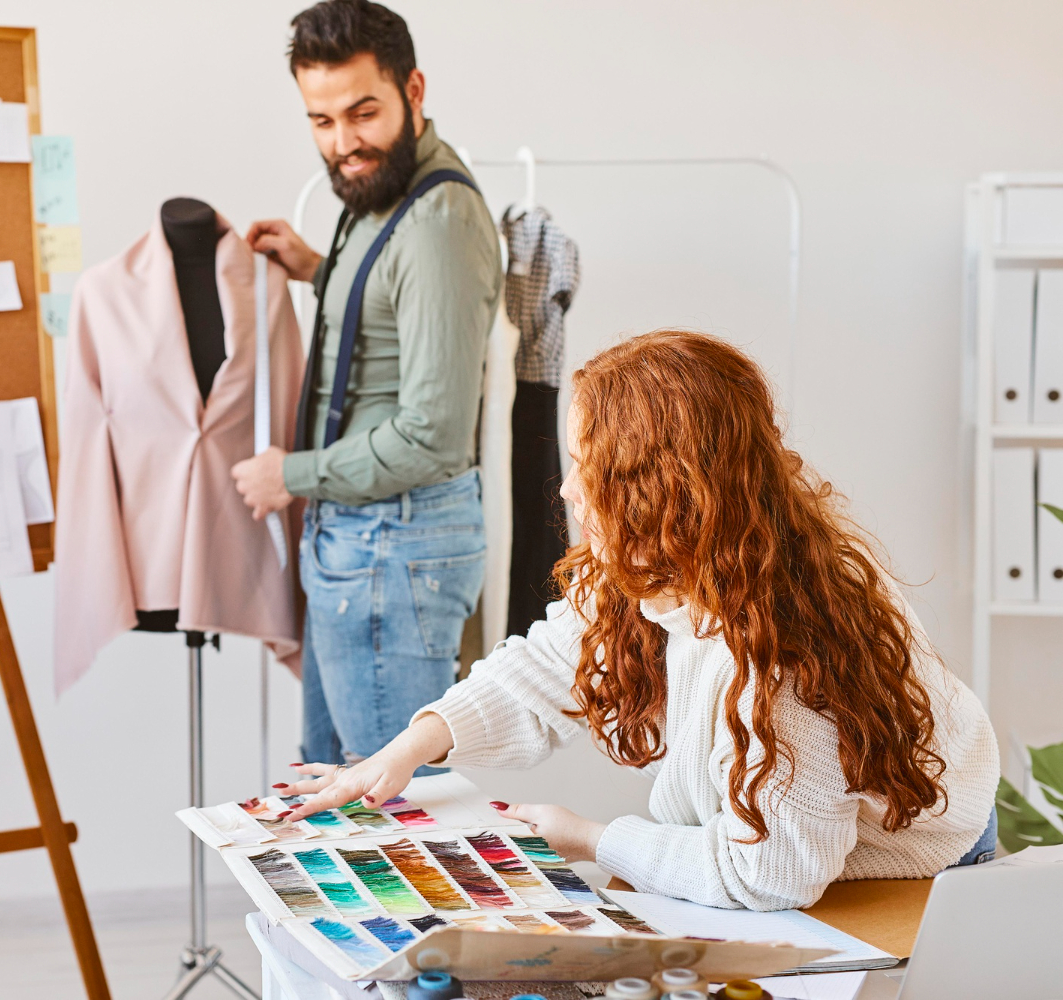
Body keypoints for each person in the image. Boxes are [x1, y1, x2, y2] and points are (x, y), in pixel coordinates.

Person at [280, 331, 1001, 911]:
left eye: (585, 465)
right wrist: (413, 745)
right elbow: (548, 662)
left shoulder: (786, 651)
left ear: (657, 485)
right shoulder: (667, 560)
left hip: (915, 869)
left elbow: (771, 876)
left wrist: (593, 839)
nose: (565, 488)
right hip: (794, 852)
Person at [232, 0, 503, 772]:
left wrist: (293, 475)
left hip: (396, 543)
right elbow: (397, 306)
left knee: (388, 818)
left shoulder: (438, 224)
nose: (344, 144)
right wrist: (320, 270)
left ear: (413, 91)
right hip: (365, 541)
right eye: (321, 121)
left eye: (363, 112)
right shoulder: (383, 194)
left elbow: (432, 433)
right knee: (332, 781)